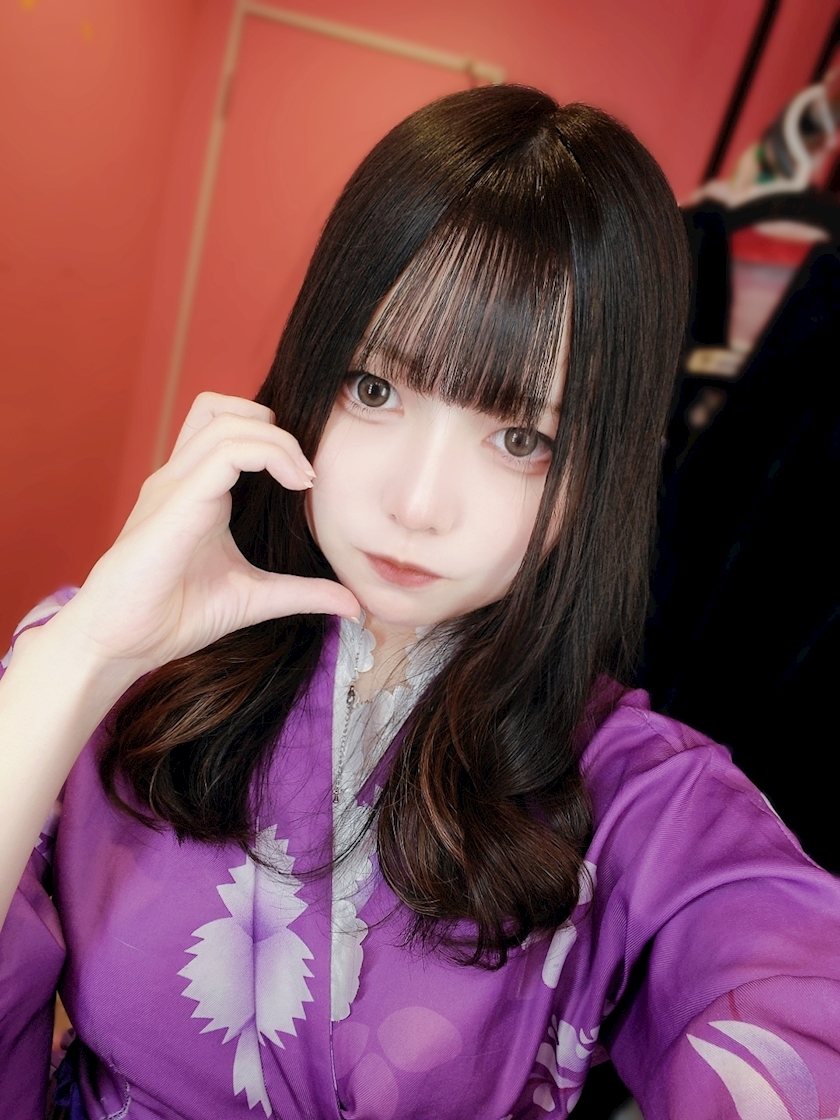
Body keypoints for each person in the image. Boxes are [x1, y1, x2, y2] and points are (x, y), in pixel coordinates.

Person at [1, 85, 839, 1120]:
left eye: (521, 439)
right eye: (375, 388)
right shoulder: (99, 661)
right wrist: (88, 651)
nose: (416, 503)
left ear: (604, 472)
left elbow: (793, 1003)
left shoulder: (636, 797)